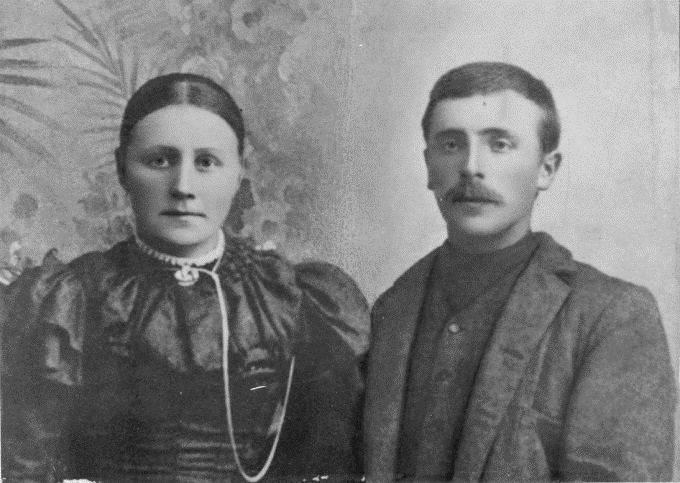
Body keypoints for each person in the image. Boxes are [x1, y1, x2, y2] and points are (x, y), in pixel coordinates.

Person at [1, 73, 369, 482]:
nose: (183, 187)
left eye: (206, 162)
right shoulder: (74, 299)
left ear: (238, 172)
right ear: (123, 169)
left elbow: (326, 460)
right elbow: (26, 466)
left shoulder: (284, 297)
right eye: (160, 160)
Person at [363, 62, 676, 482]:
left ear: (546, 169)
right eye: (451, 144)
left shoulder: (612, 315)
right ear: (428, 165)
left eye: (499, 144)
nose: (471, 166)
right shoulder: (390, 310)